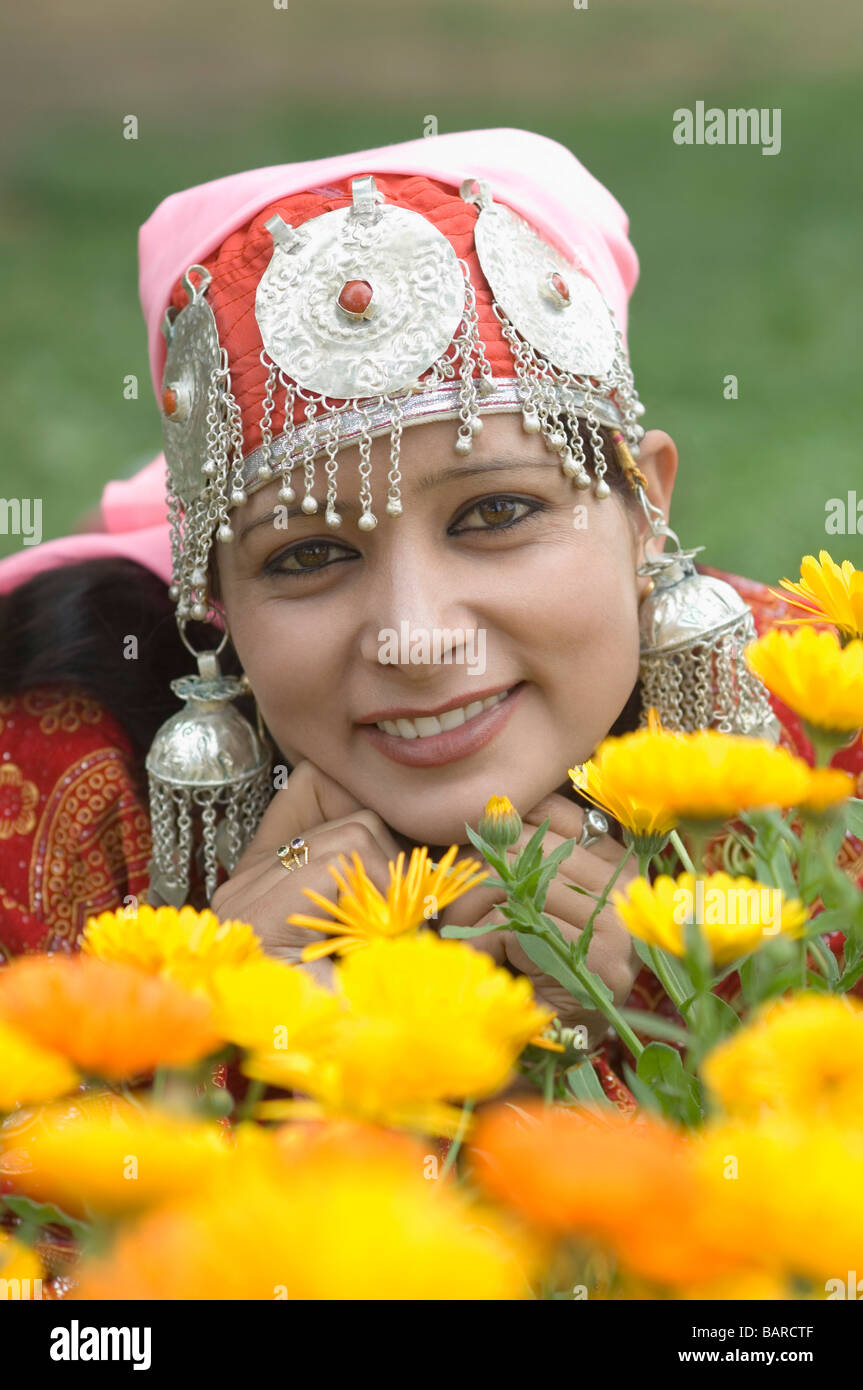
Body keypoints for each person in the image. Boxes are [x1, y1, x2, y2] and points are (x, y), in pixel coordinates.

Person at [1, 130, 860, 1105]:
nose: (414, 634)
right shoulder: (61, 783)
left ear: (643, 509)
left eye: (494, 514)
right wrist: (234, 1063)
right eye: (308, 555)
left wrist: (692, 1021)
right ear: (213, 598)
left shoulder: (825, 736)